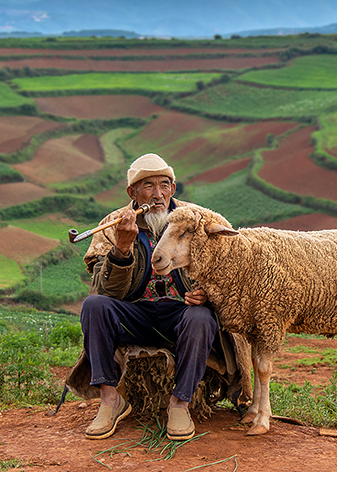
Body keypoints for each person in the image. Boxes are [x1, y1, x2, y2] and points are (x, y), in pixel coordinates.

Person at [65, 153, 234, 441]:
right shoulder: (112, 225)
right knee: (95, 305)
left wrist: (208, 293)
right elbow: (107, 292)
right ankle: (110, 400)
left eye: (164, 185)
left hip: (182, 313)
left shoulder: (198, 221)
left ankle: (180, 402)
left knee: (201, 318)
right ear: (132, 192)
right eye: (148, 186)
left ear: (173, 188)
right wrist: (121, 248)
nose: (158, 195)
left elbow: (227, 270)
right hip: (136, 314)